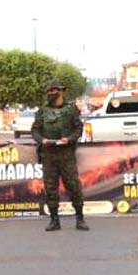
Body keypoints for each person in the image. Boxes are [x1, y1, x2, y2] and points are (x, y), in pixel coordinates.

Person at [31, 80, 89, 232]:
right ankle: (54, 220)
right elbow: (35, 130)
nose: (51, 93)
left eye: (54, 90)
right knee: (51, 189)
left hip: (66, 154)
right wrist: (42, 140)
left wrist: (69, 139)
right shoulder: (42, 111)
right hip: (49, 155)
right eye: (48, 91)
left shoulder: (71, 109)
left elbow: (78, 128)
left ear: (61, 91)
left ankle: (80, 218)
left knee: (74, 187)